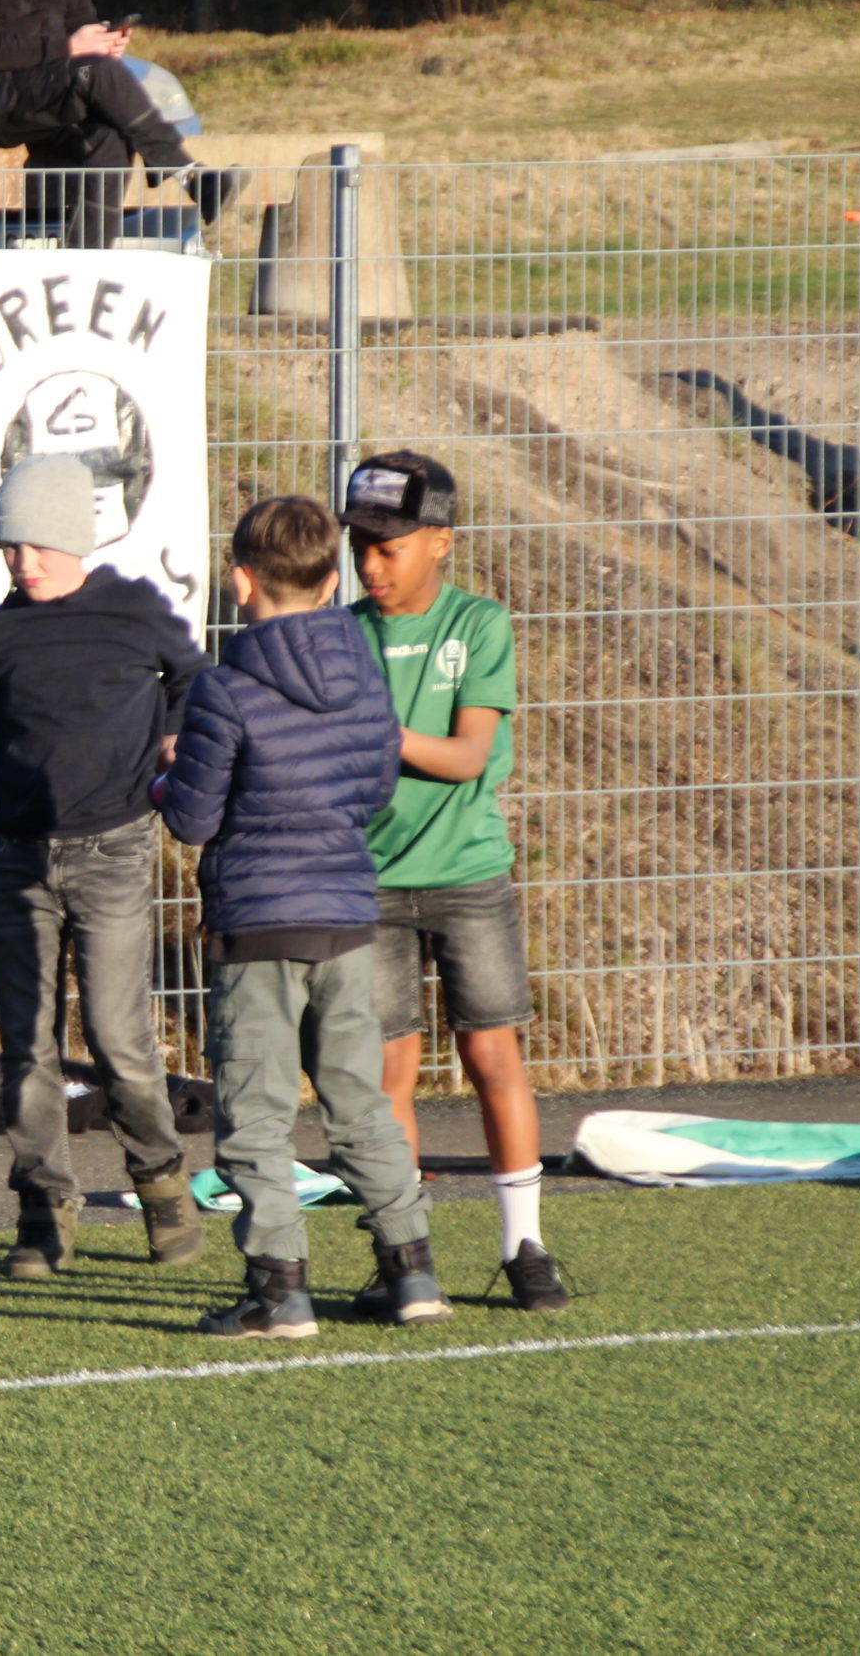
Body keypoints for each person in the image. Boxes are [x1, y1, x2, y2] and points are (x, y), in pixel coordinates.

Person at [159, 495, 447, 1339]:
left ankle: (279, 1288)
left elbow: (192, 819)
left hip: (257, 924)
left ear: (241, 582)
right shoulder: (367, 677)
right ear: (330, 583)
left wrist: (162, 775)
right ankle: (412, 1270)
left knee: (256, 1110)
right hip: (346, 917)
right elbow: (377, 788)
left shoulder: (225, 688)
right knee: (361, 1103)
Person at [0, 454, 210, 1278]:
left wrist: (176, 729)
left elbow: (195, 679)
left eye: (39, 545)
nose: (24, 561)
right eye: (10, 546)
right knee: (27, 1049)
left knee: (118, 1038)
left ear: (77, 538)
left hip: (113, 852)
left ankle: (161, 1181)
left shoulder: (137, 611)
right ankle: (44, 1208)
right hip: (18, 861)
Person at [342, 452, 572, 1311]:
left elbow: (469, 754)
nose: (370, 564)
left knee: (491, 1054)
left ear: (441, 541)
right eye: (360, 546)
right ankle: (405, 1256)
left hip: (468, 875)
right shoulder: (342, 632)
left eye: (389, 546)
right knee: (386, 1072)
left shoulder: (479, 624)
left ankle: (525, 1247)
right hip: (367, 883)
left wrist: (371, 728)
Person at [0, 0, 241, 249]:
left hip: (49, 92)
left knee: (108, 139)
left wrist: (102, 41)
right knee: (94, 72)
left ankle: (86, 262)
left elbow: (81, 22)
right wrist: (70, 47)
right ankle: (188, 173)